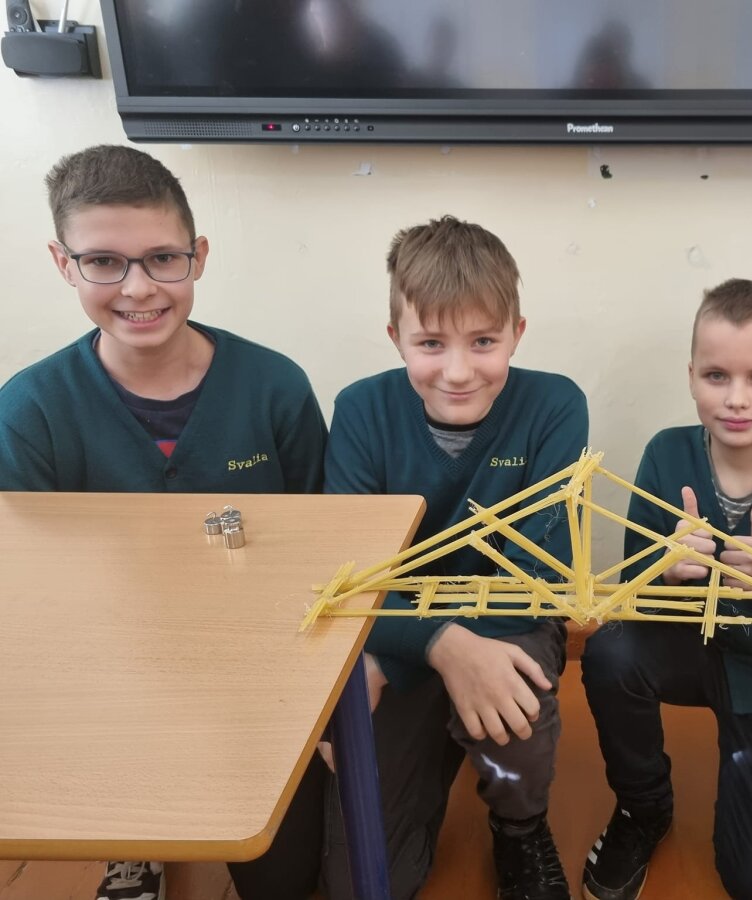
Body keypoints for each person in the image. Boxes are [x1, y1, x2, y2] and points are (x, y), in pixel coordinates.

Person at [0, 144, 327, 900]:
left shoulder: (274, 386)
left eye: (162, 258)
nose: (139, 287)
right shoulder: (30, 410)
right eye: (103, 262)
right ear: (63, 264)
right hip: (111, 684)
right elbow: (30, 599)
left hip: (259, 675)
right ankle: (134, 841)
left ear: (198, 256)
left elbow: (325, 545)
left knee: (288, 878)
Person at [320, 215, 588, 900]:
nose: (460, 370)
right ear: (396, 338)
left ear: (517, 334)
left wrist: (439, 647)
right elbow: (349, 579)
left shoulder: (556, 405)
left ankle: (519, 825)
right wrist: (433, 645)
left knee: (519, 706)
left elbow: (541, 578)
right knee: (362, 882)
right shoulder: (360, 410)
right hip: (398, 632)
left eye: (484, 341)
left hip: (500, 625)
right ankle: (439, 732)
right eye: (431, 343)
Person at [580, 278, 752, 900]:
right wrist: (664, 572)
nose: (736, 399)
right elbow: (630, 600)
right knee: (610, 652)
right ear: (692, 378)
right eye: (716, 376)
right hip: (692, 649)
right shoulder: (666, 454)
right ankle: (643, 807)